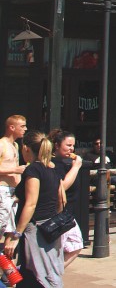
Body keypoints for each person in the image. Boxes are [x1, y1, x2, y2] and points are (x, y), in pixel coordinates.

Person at [4, 131, 63, 287]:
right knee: (36, 273)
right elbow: (61, 200)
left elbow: (31, 203)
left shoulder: (33, 170)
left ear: (26, 148)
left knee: (41, 275)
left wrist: (16, 235)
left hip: (36, 228)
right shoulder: (52, 169)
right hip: (50, 226)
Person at [49, 131, 84, 268]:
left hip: (68, 213)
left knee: (75, 244)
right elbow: (61, 187)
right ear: (57, 146)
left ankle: (53, 273)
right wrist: (76, 167)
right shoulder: (53, 164)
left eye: (73, 146)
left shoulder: (66, 162)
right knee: (58, 248)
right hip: (58, 214)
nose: (71, 149)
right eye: (68, 145)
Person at [0, 115, 27, 239]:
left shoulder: (15, 145)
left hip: (13, 191)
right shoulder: (2, 144)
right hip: (2, 189)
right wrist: (15, 170)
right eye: (22, 126)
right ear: (11, 127)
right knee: (1, 224)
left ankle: (5, 257)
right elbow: (13, 168)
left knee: (11, 228)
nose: (25, 129)